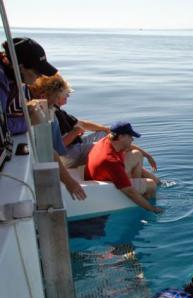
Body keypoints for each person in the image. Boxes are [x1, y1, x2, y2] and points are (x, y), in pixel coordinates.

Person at [1, 37, 85, 199]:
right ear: (20, 66)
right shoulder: (2, 80)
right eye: (37, 71)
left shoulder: (15, 81)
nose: (39, 77)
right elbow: (4, 126)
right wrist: (29, 120)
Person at [29, 73, 159, 174]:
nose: (67, 97)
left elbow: (83, 124)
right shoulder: (53, 115)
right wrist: (75, 133)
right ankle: (126, 171)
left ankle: (130, 165)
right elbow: (58, 147)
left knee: (104, 134)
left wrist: (105, 129)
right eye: (66, 94)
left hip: (74, 147)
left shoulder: (57, 110)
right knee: (114, 143)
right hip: (68, 155)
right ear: (57, 95)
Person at [85, 121, 162, 213]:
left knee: (137, 155)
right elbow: (129, 192)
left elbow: (129, 147)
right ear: (121, 137)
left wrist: (148, 156)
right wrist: (153, 209)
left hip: (107, 172)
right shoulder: (111, 161)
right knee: (151, 185)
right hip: (106, 182)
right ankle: (145, 202)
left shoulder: (108, 139)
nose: (132, 139)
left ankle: (140, 185)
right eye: (130, 136)